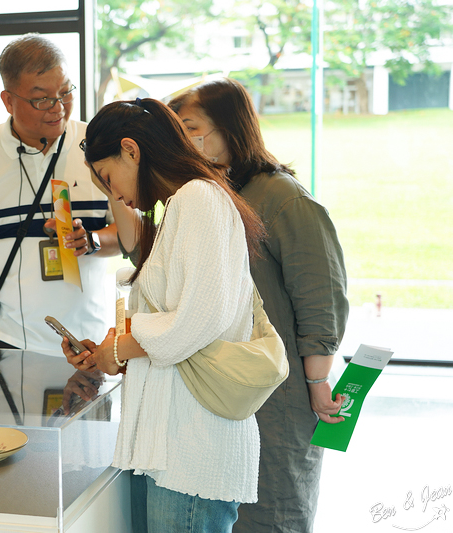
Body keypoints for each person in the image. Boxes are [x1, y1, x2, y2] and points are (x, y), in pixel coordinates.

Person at [66, 97, 266, 533]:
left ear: (131, 150)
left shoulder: (199, 198)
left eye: (107, 176)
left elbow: (198, 321)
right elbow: (176, 318)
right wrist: (109, 350)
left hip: (191, 452)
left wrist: (116, 347)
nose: (113, 193)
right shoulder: (180, 205)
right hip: (171, 449)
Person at [168, 78, 349, 533]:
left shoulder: (283, 198)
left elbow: (320, 299)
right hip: (227, 389)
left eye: (190, 128)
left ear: (230, 128)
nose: (184, 141)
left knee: (273, 509)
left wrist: (319, 381)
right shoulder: (208, 196)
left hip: (280, 393)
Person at [0, 34, 121, 353]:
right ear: (8, 100)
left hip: (90, 336)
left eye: (65, 92)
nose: (58, 107)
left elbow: (133, 234)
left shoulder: (98, 145)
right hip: (5, 340)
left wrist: (93, 240)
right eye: (41, 99)